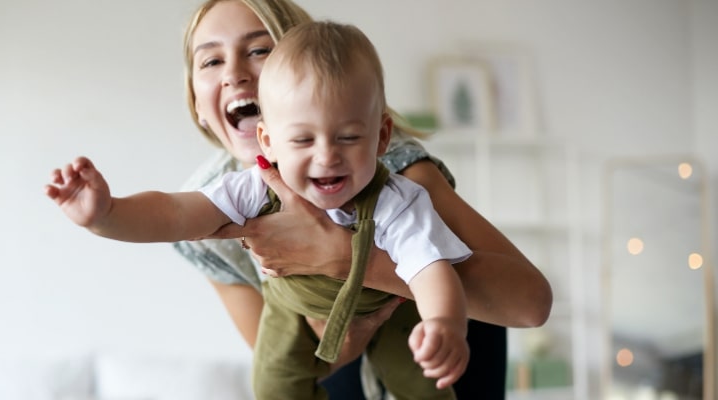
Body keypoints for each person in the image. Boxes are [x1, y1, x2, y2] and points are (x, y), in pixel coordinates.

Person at [47, 21, 473, 399]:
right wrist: (106, 215)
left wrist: (444, 323)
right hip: (293, 307)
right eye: (303, 141)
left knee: (425, 382)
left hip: (391, 302)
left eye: (347, 138)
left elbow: (429, 271)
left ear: (381, 138)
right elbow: (176, 213)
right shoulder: (254, 185)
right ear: (268, 142)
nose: (326, 157)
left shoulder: (397, 198)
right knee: (272, 385)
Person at [172, 0, 552, 399]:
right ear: (197, 102)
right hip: (342, 363)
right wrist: (106, 213)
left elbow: (531, 303)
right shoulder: (203, 216)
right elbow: (292, 369)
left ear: (306, 66)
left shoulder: (387, 169)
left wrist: (342, 257)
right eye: (210, 61)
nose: (233, 73)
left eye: (259, 50)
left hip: (448, 353)